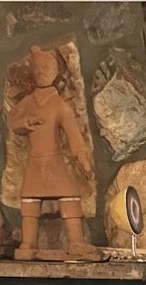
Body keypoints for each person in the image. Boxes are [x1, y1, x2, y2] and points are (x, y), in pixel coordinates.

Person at [10, 44, 96, 260]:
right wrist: (25, 122)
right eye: (37, 69)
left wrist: (83, 157)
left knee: (70, 198)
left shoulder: (60, 105)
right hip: (35, 162)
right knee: (29, 203)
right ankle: (28, 244)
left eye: (46, 68)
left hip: (55, 161)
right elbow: (14, 122)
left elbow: (74, 136)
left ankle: (76, 242)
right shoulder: (28, 102)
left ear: (56, 71)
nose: (41, 72)